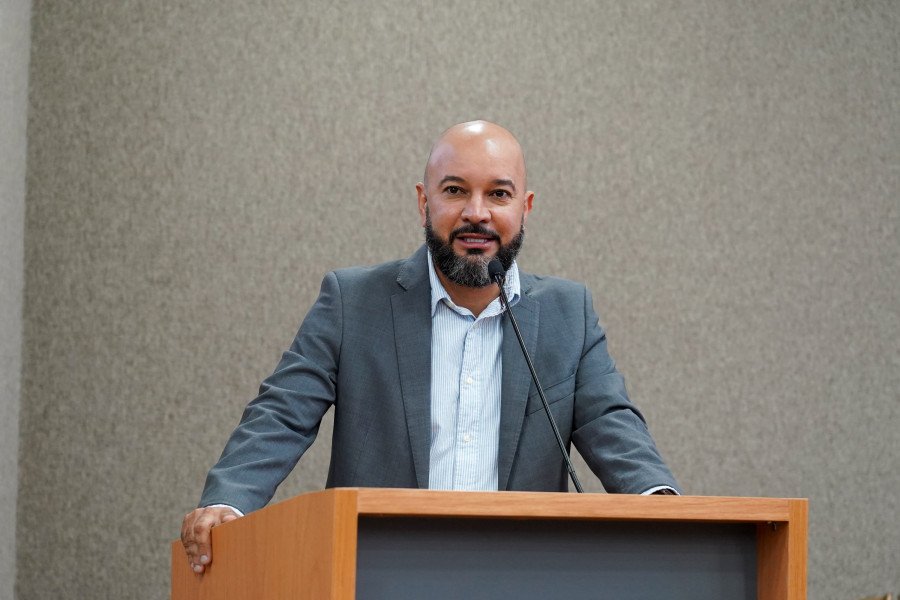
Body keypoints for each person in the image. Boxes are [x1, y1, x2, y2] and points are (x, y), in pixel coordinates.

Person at [181, 121, 680, 574]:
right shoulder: (353, 302)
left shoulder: (568, 313)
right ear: (424, 201)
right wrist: (232, 501)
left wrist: (659, 499)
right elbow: (281, 413)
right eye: (455, 191)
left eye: (498, 194)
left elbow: (609, 422)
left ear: (524, 208)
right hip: (378, 571)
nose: (476, 213)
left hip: (519, 575)